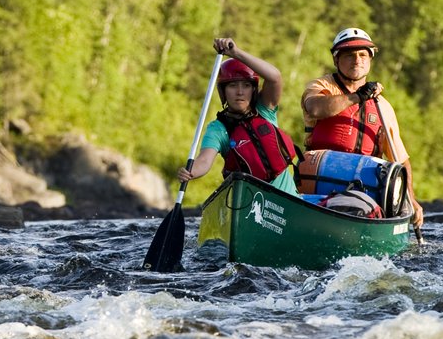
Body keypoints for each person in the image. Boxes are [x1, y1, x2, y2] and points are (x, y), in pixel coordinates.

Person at [301, 27, 422, 226]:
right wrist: (358, 96)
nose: (357, 60)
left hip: (365, 192)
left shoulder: (383, 107)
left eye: (363, 55)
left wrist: (411, 200)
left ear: (370, 59)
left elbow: (401, 161)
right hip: (319, 182)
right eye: (349, 55)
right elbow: (315, 108)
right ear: (336, 60)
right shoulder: (321, 86)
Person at [177, 37, 300, 194]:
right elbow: (204, 160)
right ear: (223, 92)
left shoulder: (264, 109)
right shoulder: (218, 128)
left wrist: (235, 53)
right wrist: (190, 172)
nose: (240, 92)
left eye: (246, 85)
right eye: (233, 85)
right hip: (248, 203)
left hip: (285, 199)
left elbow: (275, 77)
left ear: (253, 90)